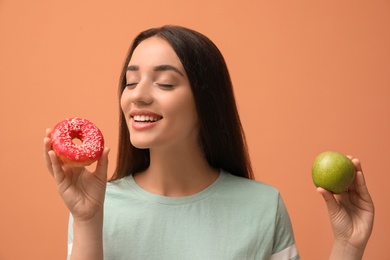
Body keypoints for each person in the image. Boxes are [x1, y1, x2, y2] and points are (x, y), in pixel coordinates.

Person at [43, 25, 374, 260]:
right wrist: (87, 220)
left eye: (164, 83)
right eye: (130, 82)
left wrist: (348, 246)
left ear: (206, 102)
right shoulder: (98, 207)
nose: (138, 95)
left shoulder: (262, 206)